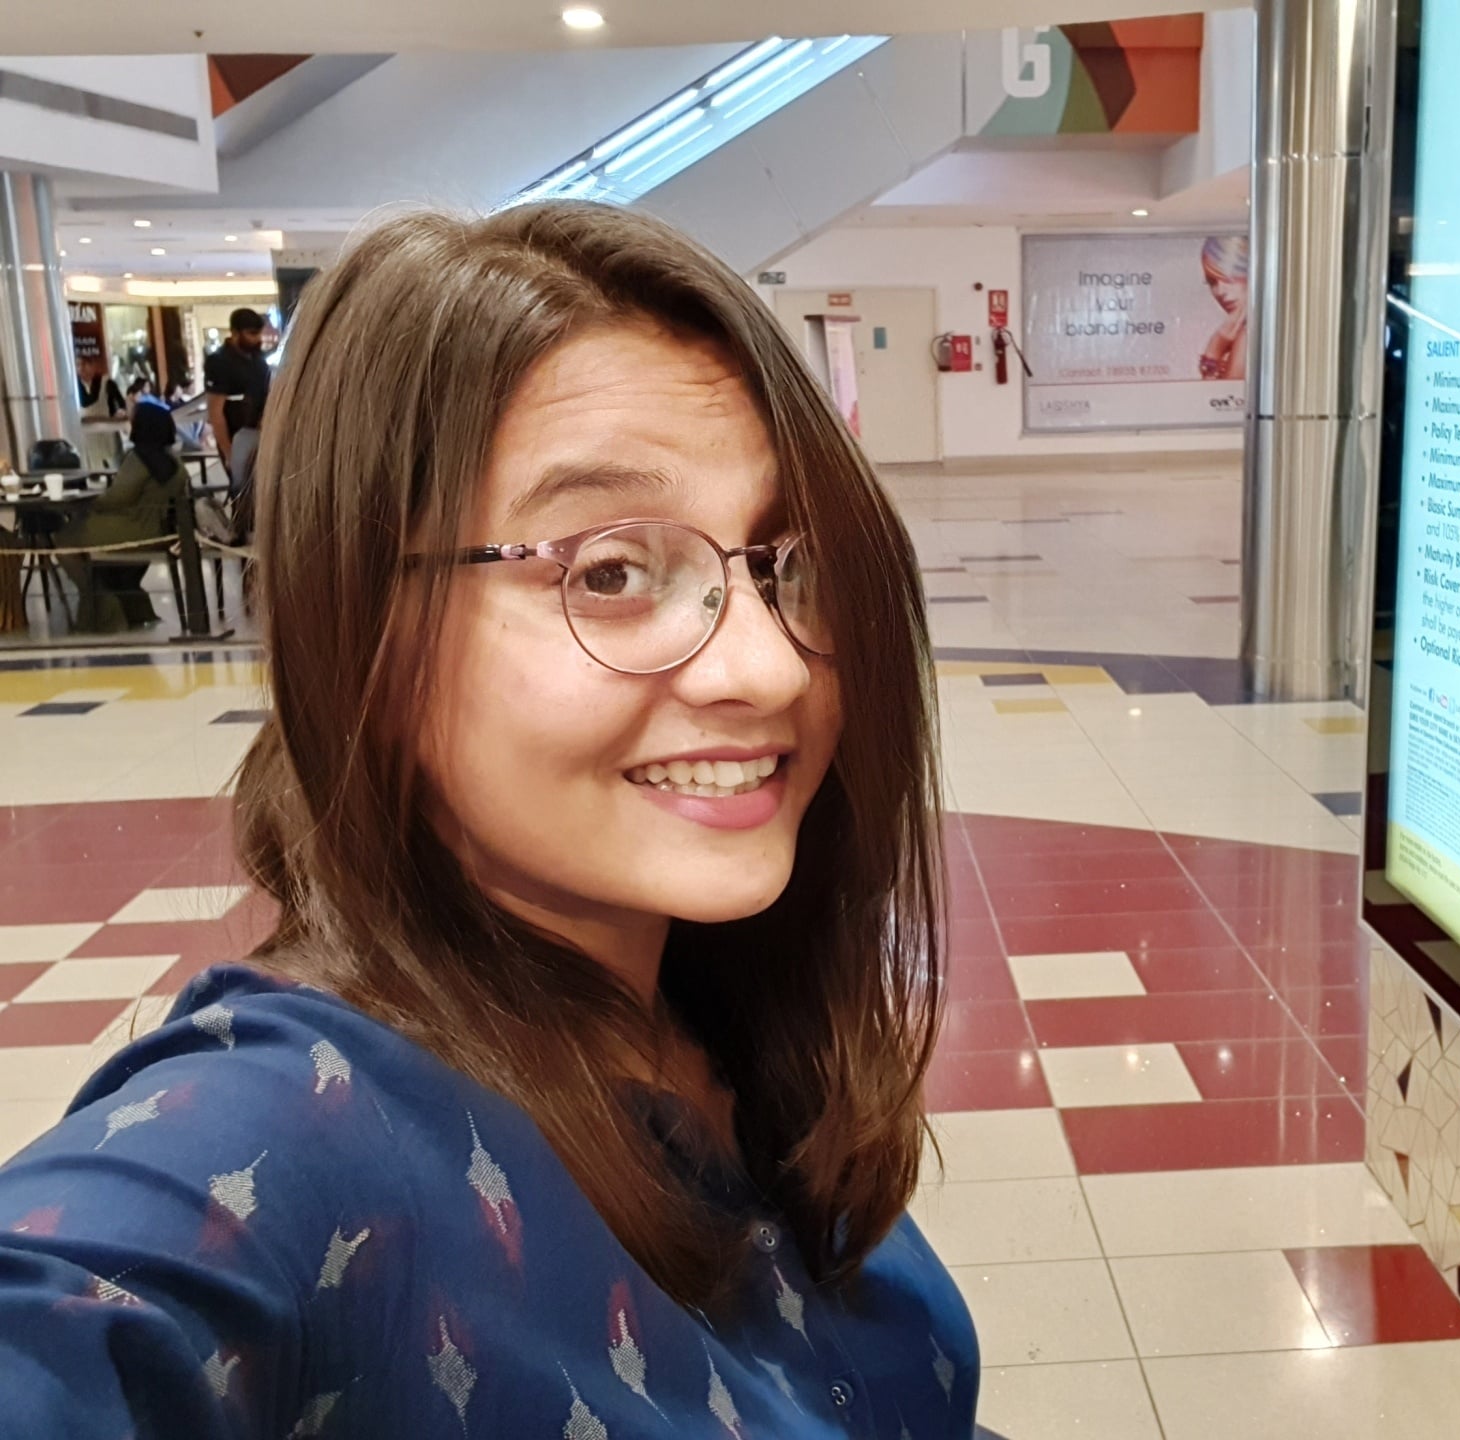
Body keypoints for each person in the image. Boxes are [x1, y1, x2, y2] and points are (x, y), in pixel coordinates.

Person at [0, 204, 974, 1436]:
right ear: (368, 631)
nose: (770, 668)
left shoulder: (715, 1004)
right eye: (610, 572)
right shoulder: (295, 1135)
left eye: (789, 562)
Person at [56, 399, 186, 631]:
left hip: (131, 529)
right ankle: (128, 606)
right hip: (159, 532)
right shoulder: (176, 464)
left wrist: (89, 502)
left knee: (65, 539)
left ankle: (99, 598)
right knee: (101, 554)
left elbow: (118, 498)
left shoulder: (139, 459)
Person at [202, 305, 271, 519]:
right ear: (234, 333)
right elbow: (216, 412)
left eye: (259, 333)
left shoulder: (257, 359)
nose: (257, 338)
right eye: (251, 333)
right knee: (242, 493)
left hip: (261, 433)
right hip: (237, 437)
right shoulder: (219, 362)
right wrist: (228, 452)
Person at [1197, 233, 1251, 382]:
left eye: (1229, 279)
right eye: (1212, 282)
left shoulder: (1248, 336)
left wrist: (1216, 345)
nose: (1220, 291)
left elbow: (1223, 394)